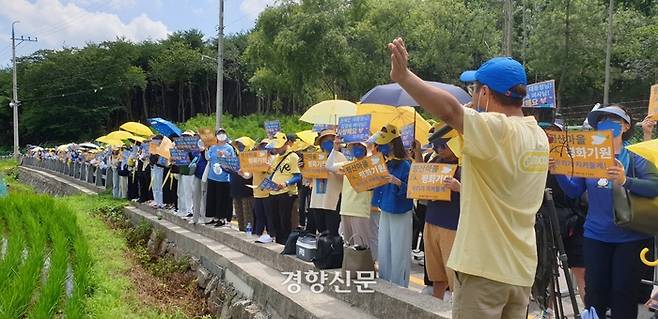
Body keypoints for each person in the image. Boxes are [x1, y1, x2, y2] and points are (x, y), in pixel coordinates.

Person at [389, 37, 549, 318]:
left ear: (485, 94)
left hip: (484, 270)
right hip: (521, 270)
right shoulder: (538, 135)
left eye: (474, 91)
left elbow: (450, 111)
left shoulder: (497, 129)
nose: (472, 99)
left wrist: (404, 77)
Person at [551, 105, 658, 319]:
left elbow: (654, 186)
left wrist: (625, 180)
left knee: (623, 292)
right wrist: (560, 173)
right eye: (601, 121)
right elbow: (574, 191)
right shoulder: (590, 158)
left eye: (612, 120)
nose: (606, 125)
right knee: (595, 292)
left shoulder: (636, 157)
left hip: (631, 238)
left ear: (626, 126)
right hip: (595, 236)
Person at [418, 125, 462, 301]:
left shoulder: (466, 164)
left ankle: (457, 307)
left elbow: (480, 194)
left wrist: (459, 188)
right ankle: (434, 305)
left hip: (452, 222)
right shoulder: (435, 162)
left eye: (443, 145)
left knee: (454, 274)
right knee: (436, 272)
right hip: (432, 218)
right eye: (436, 146)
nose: (439, 150)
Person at [371, 124, 413, 288]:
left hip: (400, 211)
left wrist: (397, 182)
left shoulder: (405, 165)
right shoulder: (385, 163)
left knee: (399, 250)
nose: (382, 147)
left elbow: (411, 190)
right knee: (384, 247)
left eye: (385, 144)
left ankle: (399, 284)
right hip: (386, 209)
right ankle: (384, 280)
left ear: (393, 143)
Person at [326, 138, 377, 260]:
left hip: (361, 210)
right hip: (346, 209)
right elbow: (329, 166)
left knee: (362, 244)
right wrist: (335, 147)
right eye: (354, 146)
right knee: (348, 244)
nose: (356, 149)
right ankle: (351, 267)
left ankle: (365, 267)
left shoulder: (370, 165)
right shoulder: (347, 165)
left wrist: (370, 149)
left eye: (360, 146)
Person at [266, 132, 302, 245]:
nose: (277, 149)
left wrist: (286, 183)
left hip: (286, 192)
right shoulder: (276, 158)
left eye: (279, 146)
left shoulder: (293, 157)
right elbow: (273, 173)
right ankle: (278, 240)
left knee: (285, 219)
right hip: (273, 191)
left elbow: (298, 176)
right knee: (274, 219)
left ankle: (286, 243)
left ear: (286, 143)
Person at [307, 129, 342, 236]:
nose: (328, 143)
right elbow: (308, 179)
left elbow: (342, 176)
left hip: (332, 201)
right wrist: (303, 167)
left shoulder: (341, 157)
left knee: (332, 232)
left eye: (331, 140)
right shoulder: (315, 158)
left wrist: (330, 169)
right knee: (321, 230)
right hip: (317, 199)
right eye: (325, 141)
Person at [206, 128, 235, 227]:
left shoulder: (229, 148)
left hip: (224, 177)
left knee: (222, 198)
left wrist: (224, 156)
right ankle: (214, 217)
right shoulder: (213, 147)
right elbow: (208, 158)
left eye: (223, 133)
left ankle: (222, 218)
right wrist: (205, 149)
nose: (221, 135)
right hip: (212, 175)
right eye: (219, 133)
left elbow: (233, 161)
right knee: (212, 197)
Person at [231, 137, 255, 232]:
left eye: (242, 145)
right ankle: (241, 231)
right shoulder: (236, 158)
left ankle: (248, 233)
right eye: (238, 145)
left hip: (246, 191)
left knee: (247, 214)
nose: (240, 147)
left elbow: (250, 175)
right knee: (239, 213)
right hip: (235, 189)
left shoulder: (252, 158)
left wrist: (243, 174)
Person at [192, 137, 209, 225]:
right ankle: (195, 218)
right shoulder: (197, 148)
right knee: (195, 196)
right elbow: (193, 155)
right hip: (197, 174)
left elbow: (208, 158)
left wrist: (204, 150)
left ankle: (205, 218)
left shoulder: (210, 148)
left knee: (204, 197)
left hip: (205, 176)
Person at [149, 135, 166, 209]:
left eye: (156, 140)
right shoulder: (153, 147)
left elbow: (163, 160)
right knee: (154, 185)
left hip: (159, 167)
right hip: (153, 167)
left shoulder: (163, 148)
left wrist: (158, 154)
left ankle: (160, 202)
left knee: (159, 185)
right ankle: (156, 201)